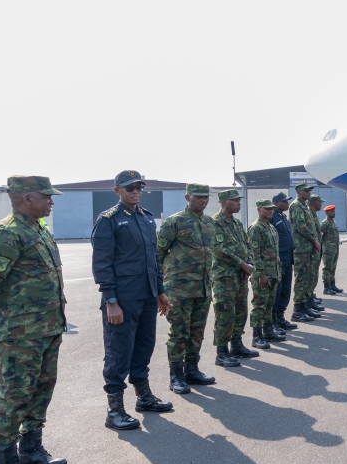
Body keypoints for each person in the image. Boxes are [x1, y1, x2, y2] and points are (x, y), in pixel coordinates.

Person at [0, 175, 68, 464]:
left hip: (47, 329)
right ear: (27, 198)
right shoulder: (7, 234)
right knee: (12, 399)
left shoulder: (38, 230)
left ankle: (30, 451)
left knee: (40, 392)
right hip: (18, 335)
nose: (51, 201)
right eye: (46, 196)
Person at [92, 170, 172, 431]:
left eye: (139, 186)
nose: (135, 191)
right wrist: (110, 300)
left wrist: (159, 291)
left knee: (143, 348)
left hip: (147, 296)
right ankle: (114, 410)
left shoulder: (147, 219)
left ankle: (144, 397)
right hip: (123, 299)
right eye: (129, 187)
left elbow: (154, 261)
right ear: (117, 191)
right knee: (118, 353)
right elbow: (102, 264)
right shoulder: (109, 220)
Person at [156, 183, 217, 395]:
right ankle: (176, 376)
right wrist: (161, 285)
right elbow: (159, 253)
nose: (203, 200)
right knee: (179, 333)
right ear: (187, 197)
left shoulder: (209, 222)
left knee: (197, 332)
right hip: (179, 289)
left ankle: (192, 370)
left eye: (206, 197)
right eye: (198, 197)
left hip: (203, 287)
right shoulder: (174, 222)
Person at [211, 189, 256, 361]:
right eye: (235, 200)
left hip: (241, 276)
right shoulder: (215, 223)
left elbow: (247, 244)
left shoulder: (236, 224)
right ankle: (221, 352)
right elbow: (219, 249)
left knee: (240, 312)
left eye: (239, 200)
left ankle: (236, 345)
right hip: (224, 277)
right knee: (225, 313)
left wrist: (249, 264)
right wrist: (242, 264)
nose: (239, 203)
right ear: (223, 202)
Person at [247, 199, 283, 348]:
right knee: (259, 305)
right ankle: (256, 336)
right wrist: (260, 274)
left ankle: (268, 331)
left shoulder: (272, 228)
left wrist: (279, 271)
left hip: (273, 273)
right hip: (262, 276)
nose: (270, 211)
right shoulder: (255, 228)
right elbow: (255, 254)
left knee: (269, 304)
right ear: (259, 209)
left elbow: (276, 252)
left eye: (272, 209)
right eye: (267, 209)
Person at [289, 183, 322, 322]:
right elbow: (301, 227)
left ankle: (305, 306)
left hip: (307, 247)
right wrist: (314, 240)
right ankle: (298, 310)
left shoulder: (303, 206)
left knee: (307, 277)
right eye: (306, 191)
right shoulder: (296, 206)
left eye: (310, 191)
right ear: (298, 192)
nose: (309, 193)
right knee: (301, 279)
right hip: (301, 248)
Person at [270, 192, 298, 333]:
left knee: (285, 291)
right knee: (277, 292)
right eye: (284, 201)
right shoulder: (272, 217)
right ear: (276, 203)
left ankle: (280, 318)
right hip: (278, 261)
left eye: (287, 201)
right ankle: (273, 321)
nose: (287, 203)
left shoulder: (283, 217)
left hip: (288, 260)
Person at [306, 195, 326, 308]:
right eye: (319, 202)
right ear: (313, 203)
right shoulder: (309, 215)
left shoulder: (314, 215)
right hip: (312, 249)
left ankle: (311, 296)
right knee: (311, 275)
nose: (321, 204)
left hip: (317, 248)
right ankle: (308, 299)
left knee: (314, 275)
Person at [320, 204, 342, 294]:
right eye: (332, 212)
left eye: (334, 211)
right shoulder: (324, 223)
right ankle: (326, 288)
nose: (334, 213)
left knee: (333, 268)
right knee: (327, 269)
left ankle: (332, 285)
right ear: (327, 212)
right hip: (328, 250)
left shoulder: (333, 222)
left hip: (335, 249)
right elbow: (320, 236)